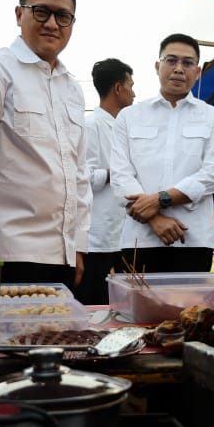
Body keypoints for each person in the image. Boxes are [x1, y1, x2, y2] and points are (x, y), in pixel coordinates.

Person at [0, 0, 91, 288]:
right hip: (7, 252)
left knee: (55, 337)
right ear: (19, 14)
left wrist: (78, 245)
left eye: (63, 16)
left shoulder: (71, 87)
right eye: (41, 12)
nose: (52, 24)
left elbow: (79, 172)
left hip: (63, 256)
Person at [112, 34, 214, 273]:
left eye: (187, 63)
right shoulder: (129, 117)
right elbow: (121, 176)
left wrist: (160, 199)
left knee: (190, 309)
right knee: (139, 310)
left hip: (192, 239)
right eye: (171, 60)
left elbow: (213, 175)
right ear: (157, 66)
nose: (178, 69)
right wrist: (154, 218)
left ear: (199, 71)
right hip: (139, 239)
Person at [77, 58, 135, 304]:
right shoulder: (91, 125)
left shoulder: (124, 127)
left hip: (122, 232)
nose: (134, 92)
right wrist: (116, 173)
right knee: (95, 303)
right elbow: (82, 177)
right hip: (97, 236)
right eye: (131, 85)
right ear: (118, 88)